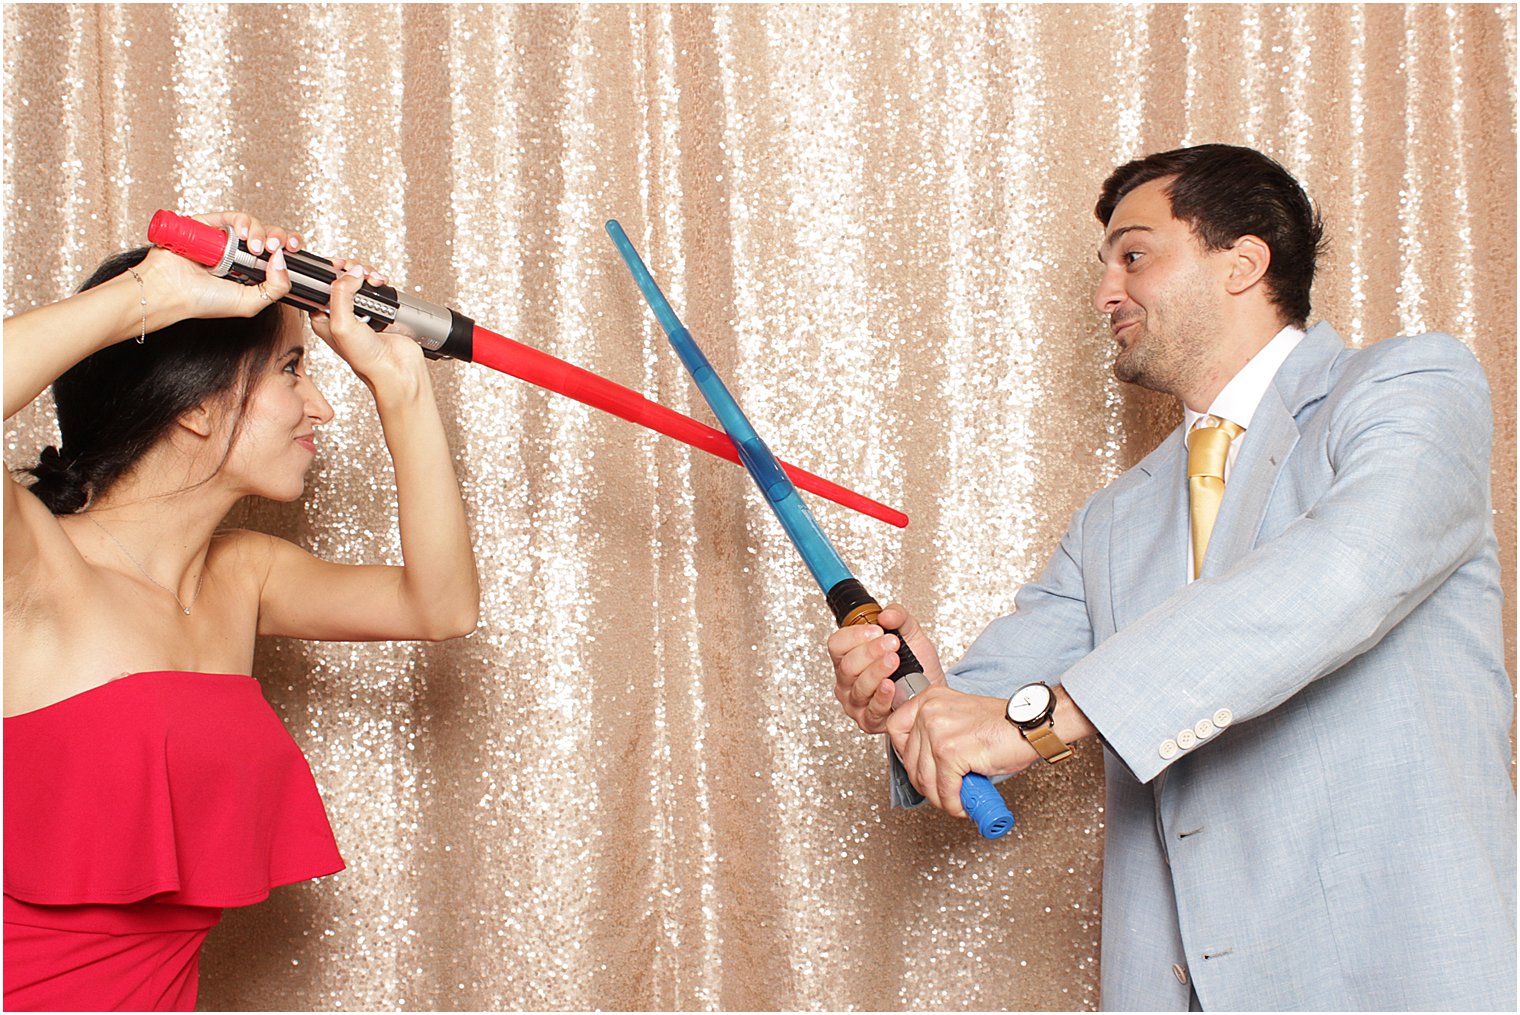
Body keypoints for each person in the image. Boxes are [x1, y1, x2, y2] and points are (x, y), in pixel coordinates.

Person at [829, 145, 1515, 1010]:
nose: (1105, 292)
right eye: (1104, 265)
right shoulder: (1114, 517)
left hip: (1396, 970)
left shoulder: (1412, 385)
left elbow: (1346, 571)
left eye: (1135, 254)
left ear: (1245, 260)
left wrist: (1042, 718)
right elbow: (985, 712)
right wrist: (912, 695)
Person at [3, 212, 480, 1010]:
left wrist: (400, 387)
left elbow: (441, 604)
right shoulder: (33, 562)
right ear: (195, 403)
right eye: (293, 369)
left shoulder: (245, 575)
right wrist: (149, 294)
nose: (321, 406)